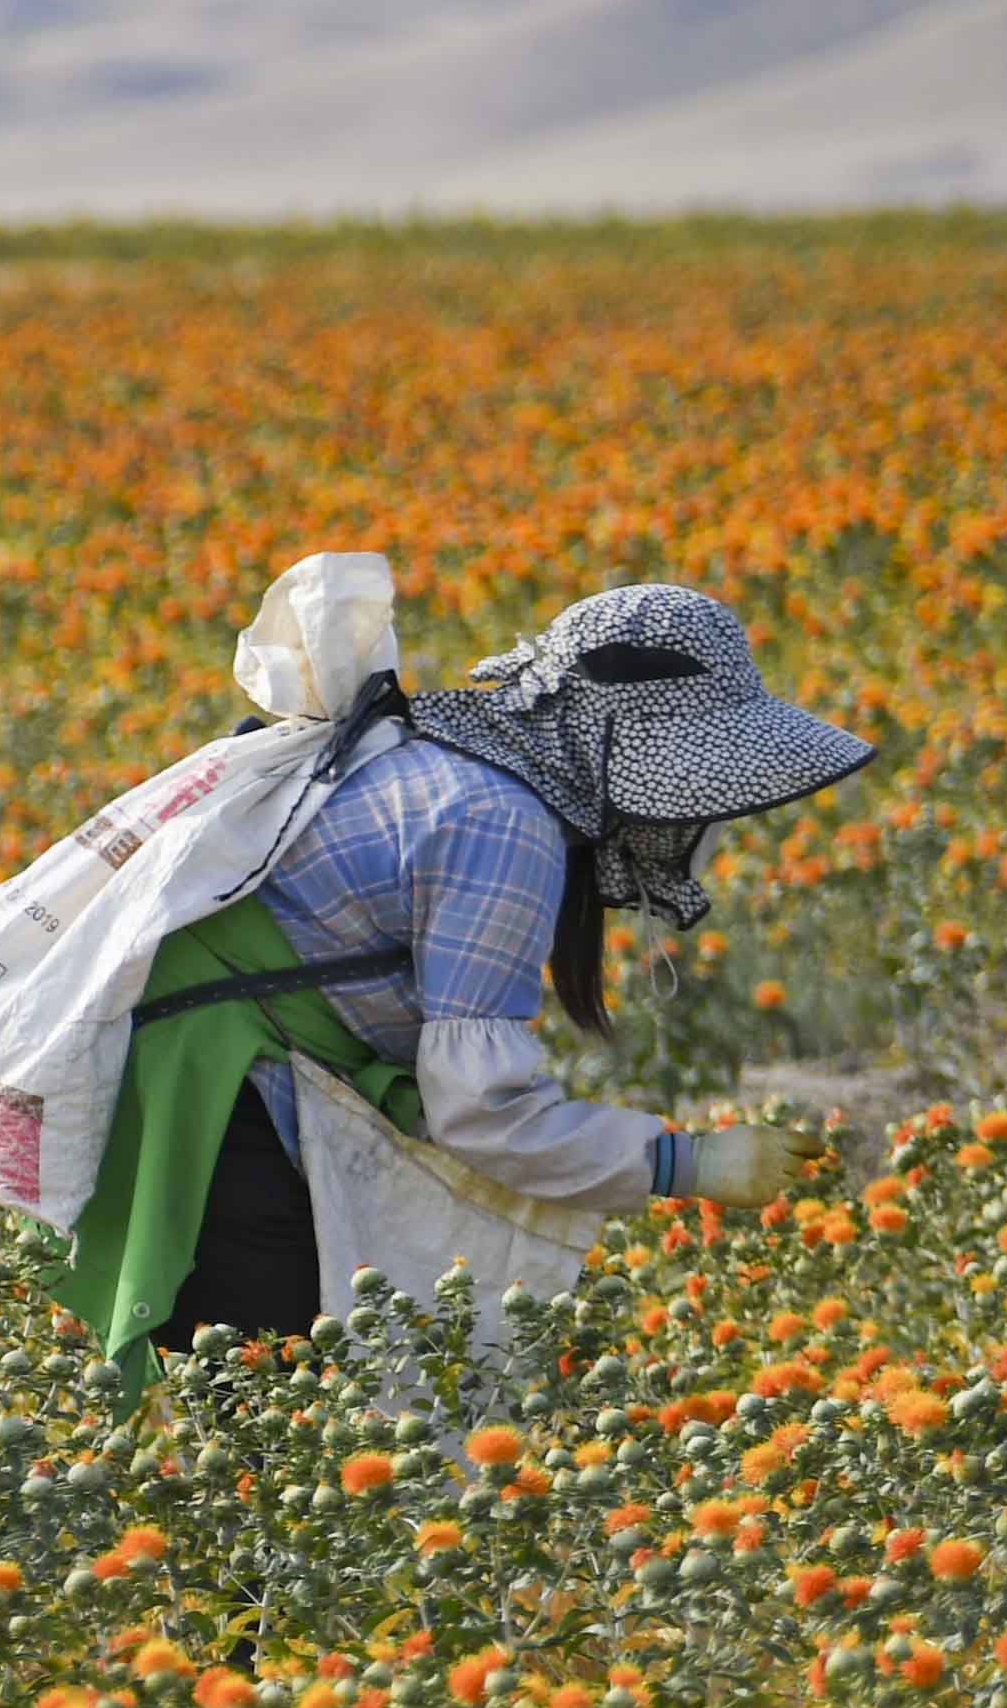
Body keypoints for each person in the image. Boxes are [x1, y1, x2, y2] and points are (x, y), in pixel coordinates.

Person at [137, 578, 871, 1357]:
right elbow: (482, 1112)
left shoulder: (448, 764)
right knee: (275, 1416)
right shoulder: (501, 823)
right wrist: (687, 1161)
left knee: (285, 1411)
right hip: (216, 1113)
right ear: (634, 749)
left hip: (199, 1088)